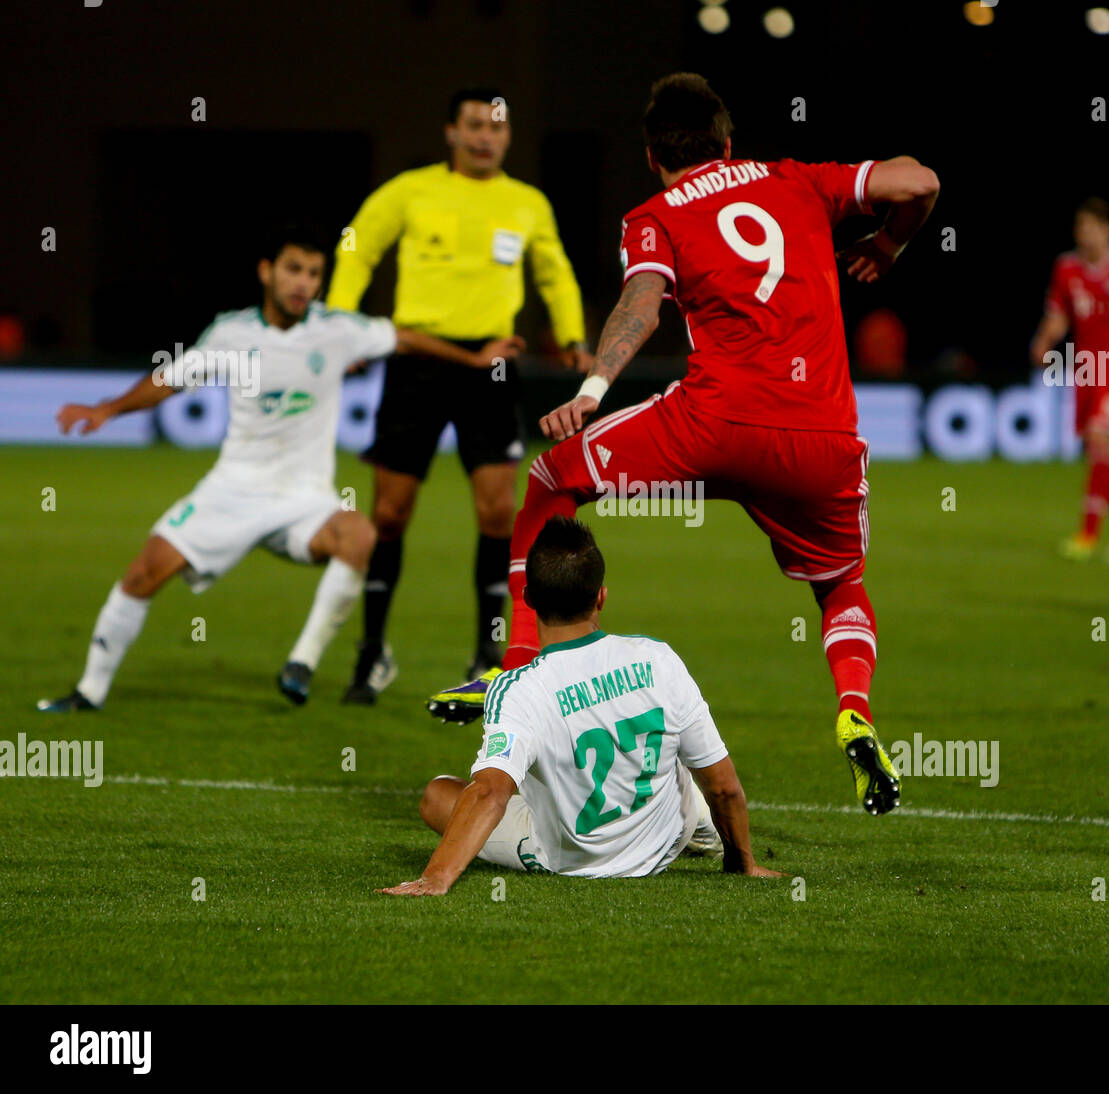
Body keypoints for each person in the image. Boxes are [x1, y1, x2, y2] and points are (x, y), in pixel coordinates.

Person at [431, 73, 941, 815]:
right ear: (727, 142)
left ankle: (513, 665)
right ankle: (854, 711)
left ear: (650, 155)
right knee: (838, 585)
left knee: (549, 478)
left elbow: (641, 303)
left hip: (712, 427)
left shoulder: (656, 214)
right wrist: (890, 244)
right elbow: (919, 180)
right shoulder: (798, 181)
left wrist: (591, 391)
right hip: (820, 439)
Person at [38, 226, 492, 710]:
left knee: (359, 534)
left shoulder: (338, 330)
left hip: (304, 499)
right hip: (232, 489)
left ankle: (301, 663)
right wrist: (106, 409)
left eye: (314, 274)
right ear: (266, 271)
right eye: (294, 269)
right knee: (143, 574)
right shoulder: (233, 333)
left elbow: (404, 338)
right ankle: (89, 691)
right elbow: (169, 380)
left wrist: (473, 359)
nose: (304, 283)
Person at [327, 86, 594, 704]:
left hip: (493, 365)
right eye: (474, 125)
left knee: (499, 512)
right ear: (450, 131)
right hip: (416, 359)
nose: (485, 136)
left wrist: (574, 336)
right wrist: (342, 326)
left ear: (507, 135)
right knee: (389, 514)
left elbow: (554, 271)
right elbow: (355, 246)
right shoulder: (410, 190)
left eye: (496, 127)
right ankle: (371, 653)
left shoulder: (526, 203)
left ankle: (488, 653)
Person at [380, 517, 781, 895]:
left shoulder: (518, 688)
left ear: (528, 598)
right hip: (663, 842)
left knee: (438, 795)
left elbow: (488, 793)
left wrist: (436, 877)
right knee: (677, 753)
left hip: (571, 858)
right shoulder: (658, 659)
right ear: (601, 596)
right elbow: (725, 787)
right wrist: (742, 864)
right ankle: (702, 831)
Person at [1030, 197, 1109, 561]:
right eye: (1081, 228)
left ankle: (1088, 533)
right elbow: (1059, 314)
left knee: (1099, 439)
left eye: (1094, 227)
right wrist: (1044, 340)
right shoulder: (1066, 268)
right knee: (1102, 451)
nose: (1086, 235)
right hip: (1084, 369)